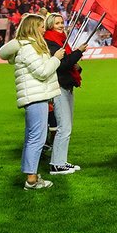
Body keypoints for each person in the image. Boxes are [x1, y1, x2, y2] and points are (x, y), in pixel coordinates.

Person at [0, 13, 67, 190]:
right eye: (41, 26)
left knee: (32, 138)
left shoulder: (29, 46)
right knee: (36, 139)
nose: (44, 29)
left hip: (36, 96)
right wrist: (56, 58)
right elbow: (42, 72)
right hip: (36, 97)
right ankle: (31, 180)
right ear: (33, 28)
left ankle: (32, 175)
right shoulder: (29, 48)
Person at [43, 13, 84, 174]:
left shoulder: (59, 40)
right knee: (64, 127)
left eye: (62, 22)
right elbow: (61, 64)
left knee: (66, 126)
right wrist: (78, 52)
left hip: (66, 85)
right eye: (57, 23)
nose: (61, 25)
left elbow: (66, 63)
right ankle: (56, 164)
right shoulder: (51, 42)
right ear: (50, 25)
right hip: (59, 87)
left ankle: (61, 161)